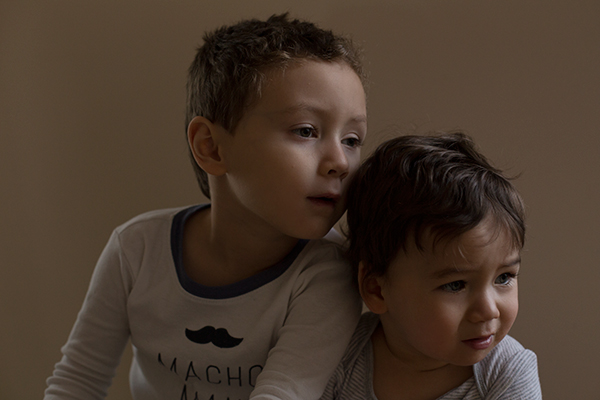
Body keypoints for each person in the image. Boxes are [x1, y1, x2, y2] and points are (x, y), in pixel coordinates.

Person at [45, 13, 367, 400]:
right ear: (211, 147)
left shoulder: (328, 274)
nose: (340, 162)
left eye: (352, 139)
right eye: (306, 131)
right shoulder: (136, 249)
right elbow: (76, 382)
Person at [321, 133, 542, 399]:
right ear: (376, 289)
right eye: (456, 285)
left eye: (504, 278)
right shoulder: (337, 355)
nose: (488, 311)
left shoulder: (507, 373)